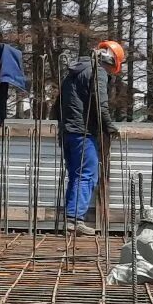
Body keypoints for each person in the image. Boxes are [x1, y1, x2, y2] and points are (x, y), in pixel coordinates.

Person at [57, 40, 124, 236]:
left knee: (76, 175)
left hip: (68, 131)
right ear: (111, 61)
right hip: (82, 131)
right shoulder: (98, 72)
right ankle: (75, 219)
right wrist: (109, 126)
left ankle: (70, 220)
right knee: (87, 174)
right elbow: (100, 104)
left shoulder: (76, 70)